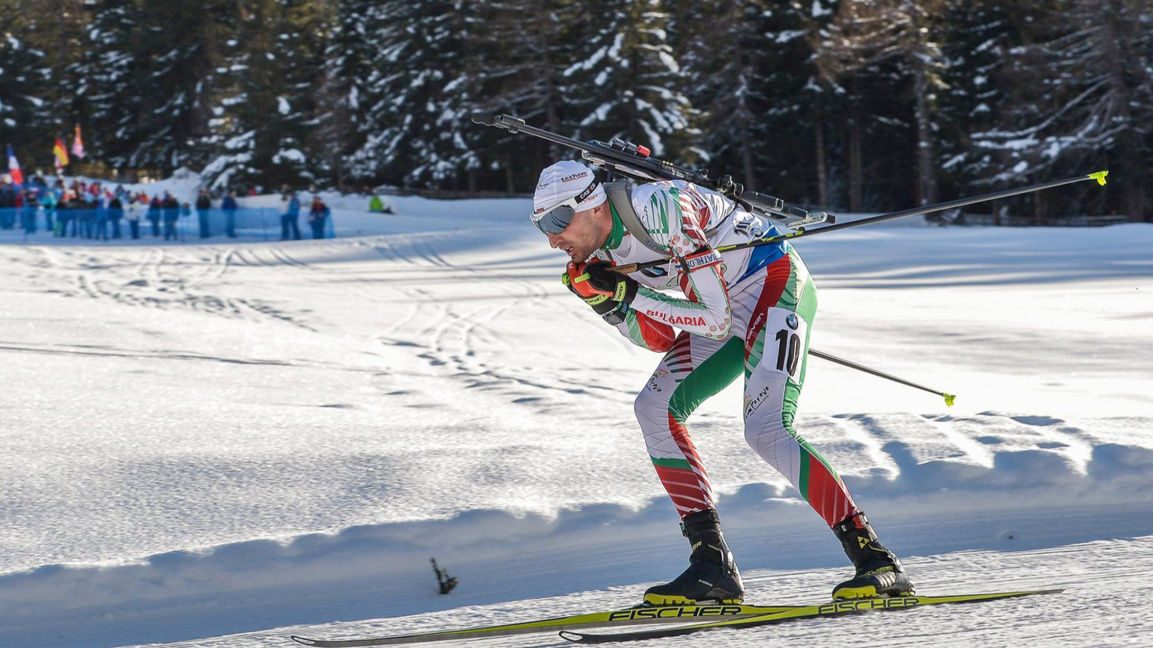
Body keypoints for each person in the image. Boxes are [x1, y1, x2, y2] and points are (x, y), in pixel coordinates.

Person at [530, 160, 914, 606]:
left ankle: (876, 560)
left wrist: (631, 293)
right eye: (541, 225)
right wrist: (609, 305)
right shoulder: (594, 256)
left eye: (558, 220)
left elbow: (712, 319)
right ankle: (712, 566)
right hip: (721, 312)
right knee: (653, 408)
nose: (552, 237)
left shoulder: (660, 207)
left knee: (766, 430)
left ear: (594, 206)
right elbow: (659, 338)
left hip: (774, 283)